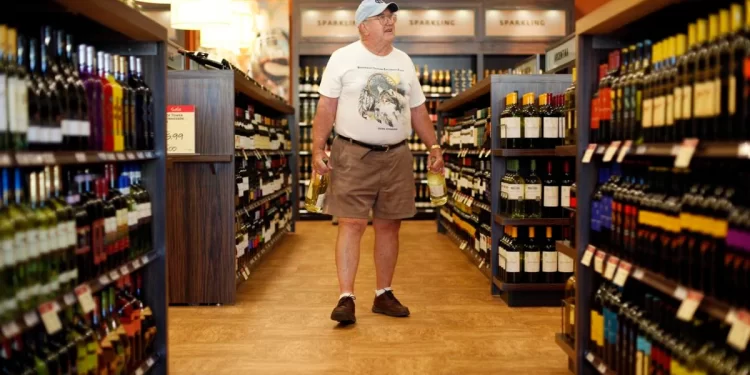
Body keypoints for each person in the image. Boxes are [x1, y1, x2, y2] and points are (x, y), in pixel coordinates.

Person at [312, 0, 444, 324]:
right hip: (352, 153)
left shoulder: (404, 61)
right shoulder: (342, 58)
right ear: (363, 26)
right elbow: (326, 107)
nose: (389, 21)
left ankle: (383, 293)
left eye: (391, 16)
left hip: (397, 154)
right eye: (381, 17)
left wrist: (434, 144)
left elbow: (417, 111)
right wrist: (317, 149)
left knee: (389, 225)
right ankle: (346, 297)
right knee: (352, 223)